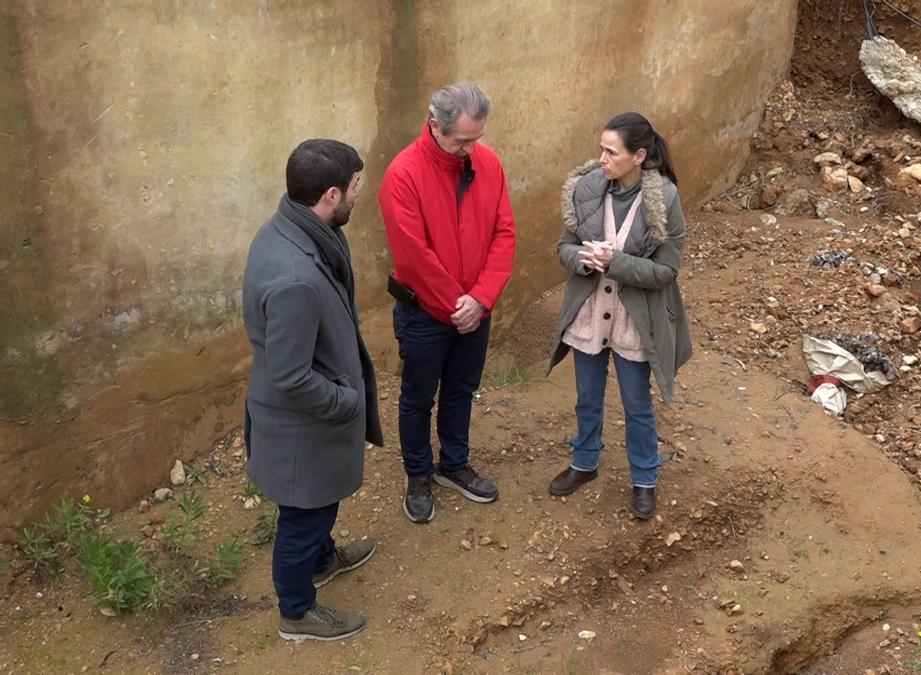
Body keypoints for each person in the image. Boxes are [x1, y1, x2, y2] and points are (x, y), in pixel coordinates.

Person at [242, 139, 384, 641]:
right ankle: (296, 611)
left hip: (311, 424)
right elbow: (291, 376)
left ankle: (324, 560)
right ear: (330, 195)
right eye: (355, 188)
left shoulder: (295, 227)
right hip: (304, 428)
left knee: (319, 504)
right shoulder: (296, 277)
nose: (358, 196)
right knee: (303, 516)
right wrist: (349, 401)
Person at [378, 82, 517, 524]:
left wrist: (480, 299)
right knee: (418, 397)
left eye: (477, 138)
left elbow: (504, 233)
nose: (470, 149)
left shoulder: (488, 162)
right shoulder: (403, 175)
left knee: (461, 389)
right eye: (462, 141)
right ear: (435, 126)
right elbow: (413, 255)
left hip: (474, 310)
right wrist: (458, 306)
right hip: (427, 313)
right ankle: (418, 473)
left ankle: (454, 464)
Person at [546, 112, 692, 520]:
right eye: (601, 149)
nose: (602, 159)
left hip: (634, 320)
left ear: (639, 156)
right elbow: (564, 245)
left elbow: (666, 271)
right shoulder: (588, 189)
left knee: (636, 404)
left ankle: (645, 479)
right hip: (590, 314)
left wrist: (616, 262)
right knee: (587, 399)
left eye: (611, 151)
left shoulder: (664, 199)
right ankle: (584, 463)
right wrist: (582, 258)